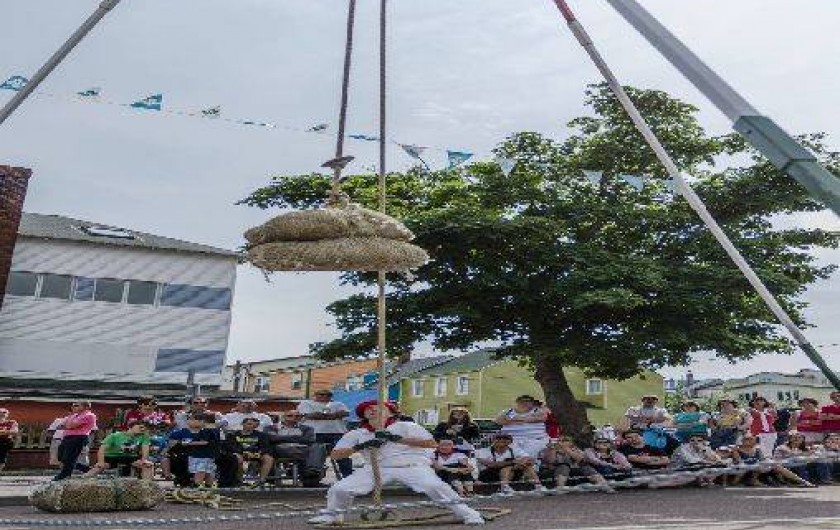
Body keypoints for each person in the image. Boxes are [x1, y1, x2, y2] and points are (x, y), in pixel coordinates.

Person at [307, 400, 484, 526]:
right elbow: (336, 455)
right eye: (369, 409)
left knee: (435, 486)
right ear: (364, 415)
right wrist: (361, 446)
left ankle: (468, 514)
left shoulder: (407, 426)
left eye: (378, 408)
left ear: (390, 412)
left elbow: (431, 444)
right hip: (375, 468)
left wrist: (397, 439)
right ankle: (332, 516)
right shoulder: (357, 433)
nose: (373, 410)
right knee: (340, 488)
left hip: (411, 466)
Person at [297, 390, 352, 478]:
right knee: (313, 457)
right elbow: (311, 415)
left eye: (328, 395)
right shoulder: (306, 403)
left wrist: (321, 415)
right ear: (315, 395)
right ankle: (312, 478)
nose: (325, 396)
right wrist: (333, 415)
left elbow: (345, 413)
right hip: (314, 433)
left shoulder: (338, 404)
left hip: (336, 433)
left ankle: (348, 477)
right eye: (321, 394)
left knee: (342, 454)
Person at [475, 433, 546, 494]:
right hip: (488, 475)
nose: (501, 440)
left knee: (527, 467)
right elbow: (490, 464)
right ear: (493, 440)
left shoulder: (515, 450)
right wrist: (512, 462)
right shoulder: (482, 451)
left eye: (505, 439)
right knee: (508, 467)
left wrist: (520, 463)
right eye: (498, 438)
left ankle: (538, 485)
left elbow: (530, 459)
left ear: (510, 441)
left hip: (510, 473)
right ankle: (504, 487)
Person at [270, 409, 326, 487]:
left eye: (297, 416)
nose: (294, 418)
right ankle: (306, 474)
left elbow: (309, 440)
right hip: (281, 450)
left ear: (300, 418)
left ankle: (312, 472)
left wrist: (282, 438)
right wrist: (297, 438)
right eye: (290, 416)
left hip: (301, 450)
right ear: (283, 417)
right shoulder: (271, 427)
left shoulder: (307, 428)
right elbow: (271, 439)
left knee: (318, 446)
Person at [85, 420, 154, 479]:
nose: (142, 429)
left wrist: (144, 460)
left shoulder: (144, 436)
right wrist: (101, 462)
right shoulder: (115, 436)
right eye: (140, 427)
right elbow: (102, 449)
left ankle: (146, 486)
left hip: (130, 457)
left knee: (148, 465)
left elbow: (145, 449)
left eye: (144, 428)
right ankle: (84, 480)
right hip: (111, 456)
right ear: (131, 427)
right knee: (99, 467)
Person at [538, 437, 611, 491]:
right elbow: (551, 461)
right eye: (559, 440)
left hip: (572, 471)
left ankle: (603, 484)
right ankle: (560, 488)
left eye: (565, 440)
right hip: (553, 472)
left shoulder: (575, 449)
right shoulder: (547, 450)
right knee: (564, 466)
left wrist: (567, 449)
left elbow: (580, 459)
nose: (561, 442)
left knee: (585, 467)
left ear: (571, 443)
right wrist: (552, 449)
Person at [168, 413, 221, 487]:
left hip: (203, 456)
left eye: (192, 420)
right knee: (209, 471)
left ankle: (196, 485)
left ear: (202, 421)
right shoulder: (215, 430)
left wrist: (189, 443)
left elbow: (205, 442)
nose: (189, 421)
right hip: (209, 455)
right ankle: (208, 486)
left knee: (201, 470)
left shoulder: (207, 430)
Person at [54, 401, 97, 481]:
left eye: (77, 405)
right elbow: (60, 425)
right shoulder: (74, 415)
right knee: (61, 457)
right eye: (74, 406)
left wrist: (67, 424)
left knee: (69, 458)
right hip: (67, 437)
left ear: (86, 407)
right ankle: (86, 469)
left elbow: (70, 425)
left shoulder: (89, 415)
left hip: (78, 437)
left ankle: (64, 475)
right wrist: (68, 424)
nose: (74, 407)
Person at [227, 417, 274, 486]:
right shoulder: (234, 435)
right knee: (237, 458)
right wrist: (242, 453)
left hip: (256, 454)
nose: (251, 426)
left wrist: (258, 453)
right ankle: (239, 480)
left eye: (253, 425)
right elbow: (231, 447)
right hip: (241, 454)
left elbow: (266, 447)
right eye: (249, 424)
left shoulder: (261, 435)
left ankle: (261, 480)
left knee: (268, 458)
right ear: (243, 424)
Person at [0, 409, 19, 474]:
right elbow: (11, 431)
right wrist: (6, 432)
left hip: (5, 442)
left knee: (2, 458)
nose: (2, 413)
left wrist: (2, 432)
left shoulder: (12, 422)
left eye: (4, 412)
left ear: (7, 414)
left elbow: (15, 431)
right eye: (0, 412)